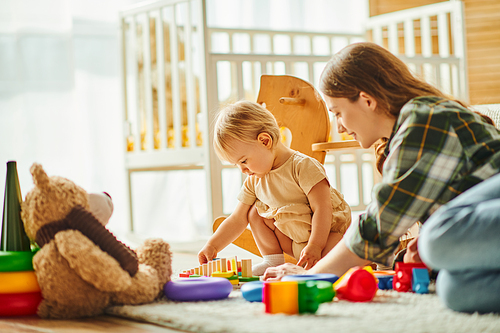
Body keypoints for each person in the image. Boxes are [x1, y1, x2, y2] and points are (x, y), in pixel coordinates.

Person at [263, 42, 500, 313]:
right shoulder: (402, 137)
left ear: (366, 99)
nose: (339, 126)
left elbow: (378, 226)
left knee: (435, 238)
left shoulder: (426, 119)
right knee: (454, 290)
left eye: (338, 112)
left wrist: (309, 276)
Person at [198, 100, 352, 276]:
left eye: (243, 161)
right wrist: (212, 245)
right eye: (236, 165)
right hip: (295, 241)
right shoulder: (254, 180)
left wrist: (315, 246)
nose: (242, 170)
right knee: (254, 212)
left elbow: (323, 209)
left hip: (325, 234)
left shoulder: (303, 166)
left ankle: (337, 259)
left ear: (265, 141)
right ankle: (272, 261)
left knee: (334, 260)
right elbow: (237, 219)